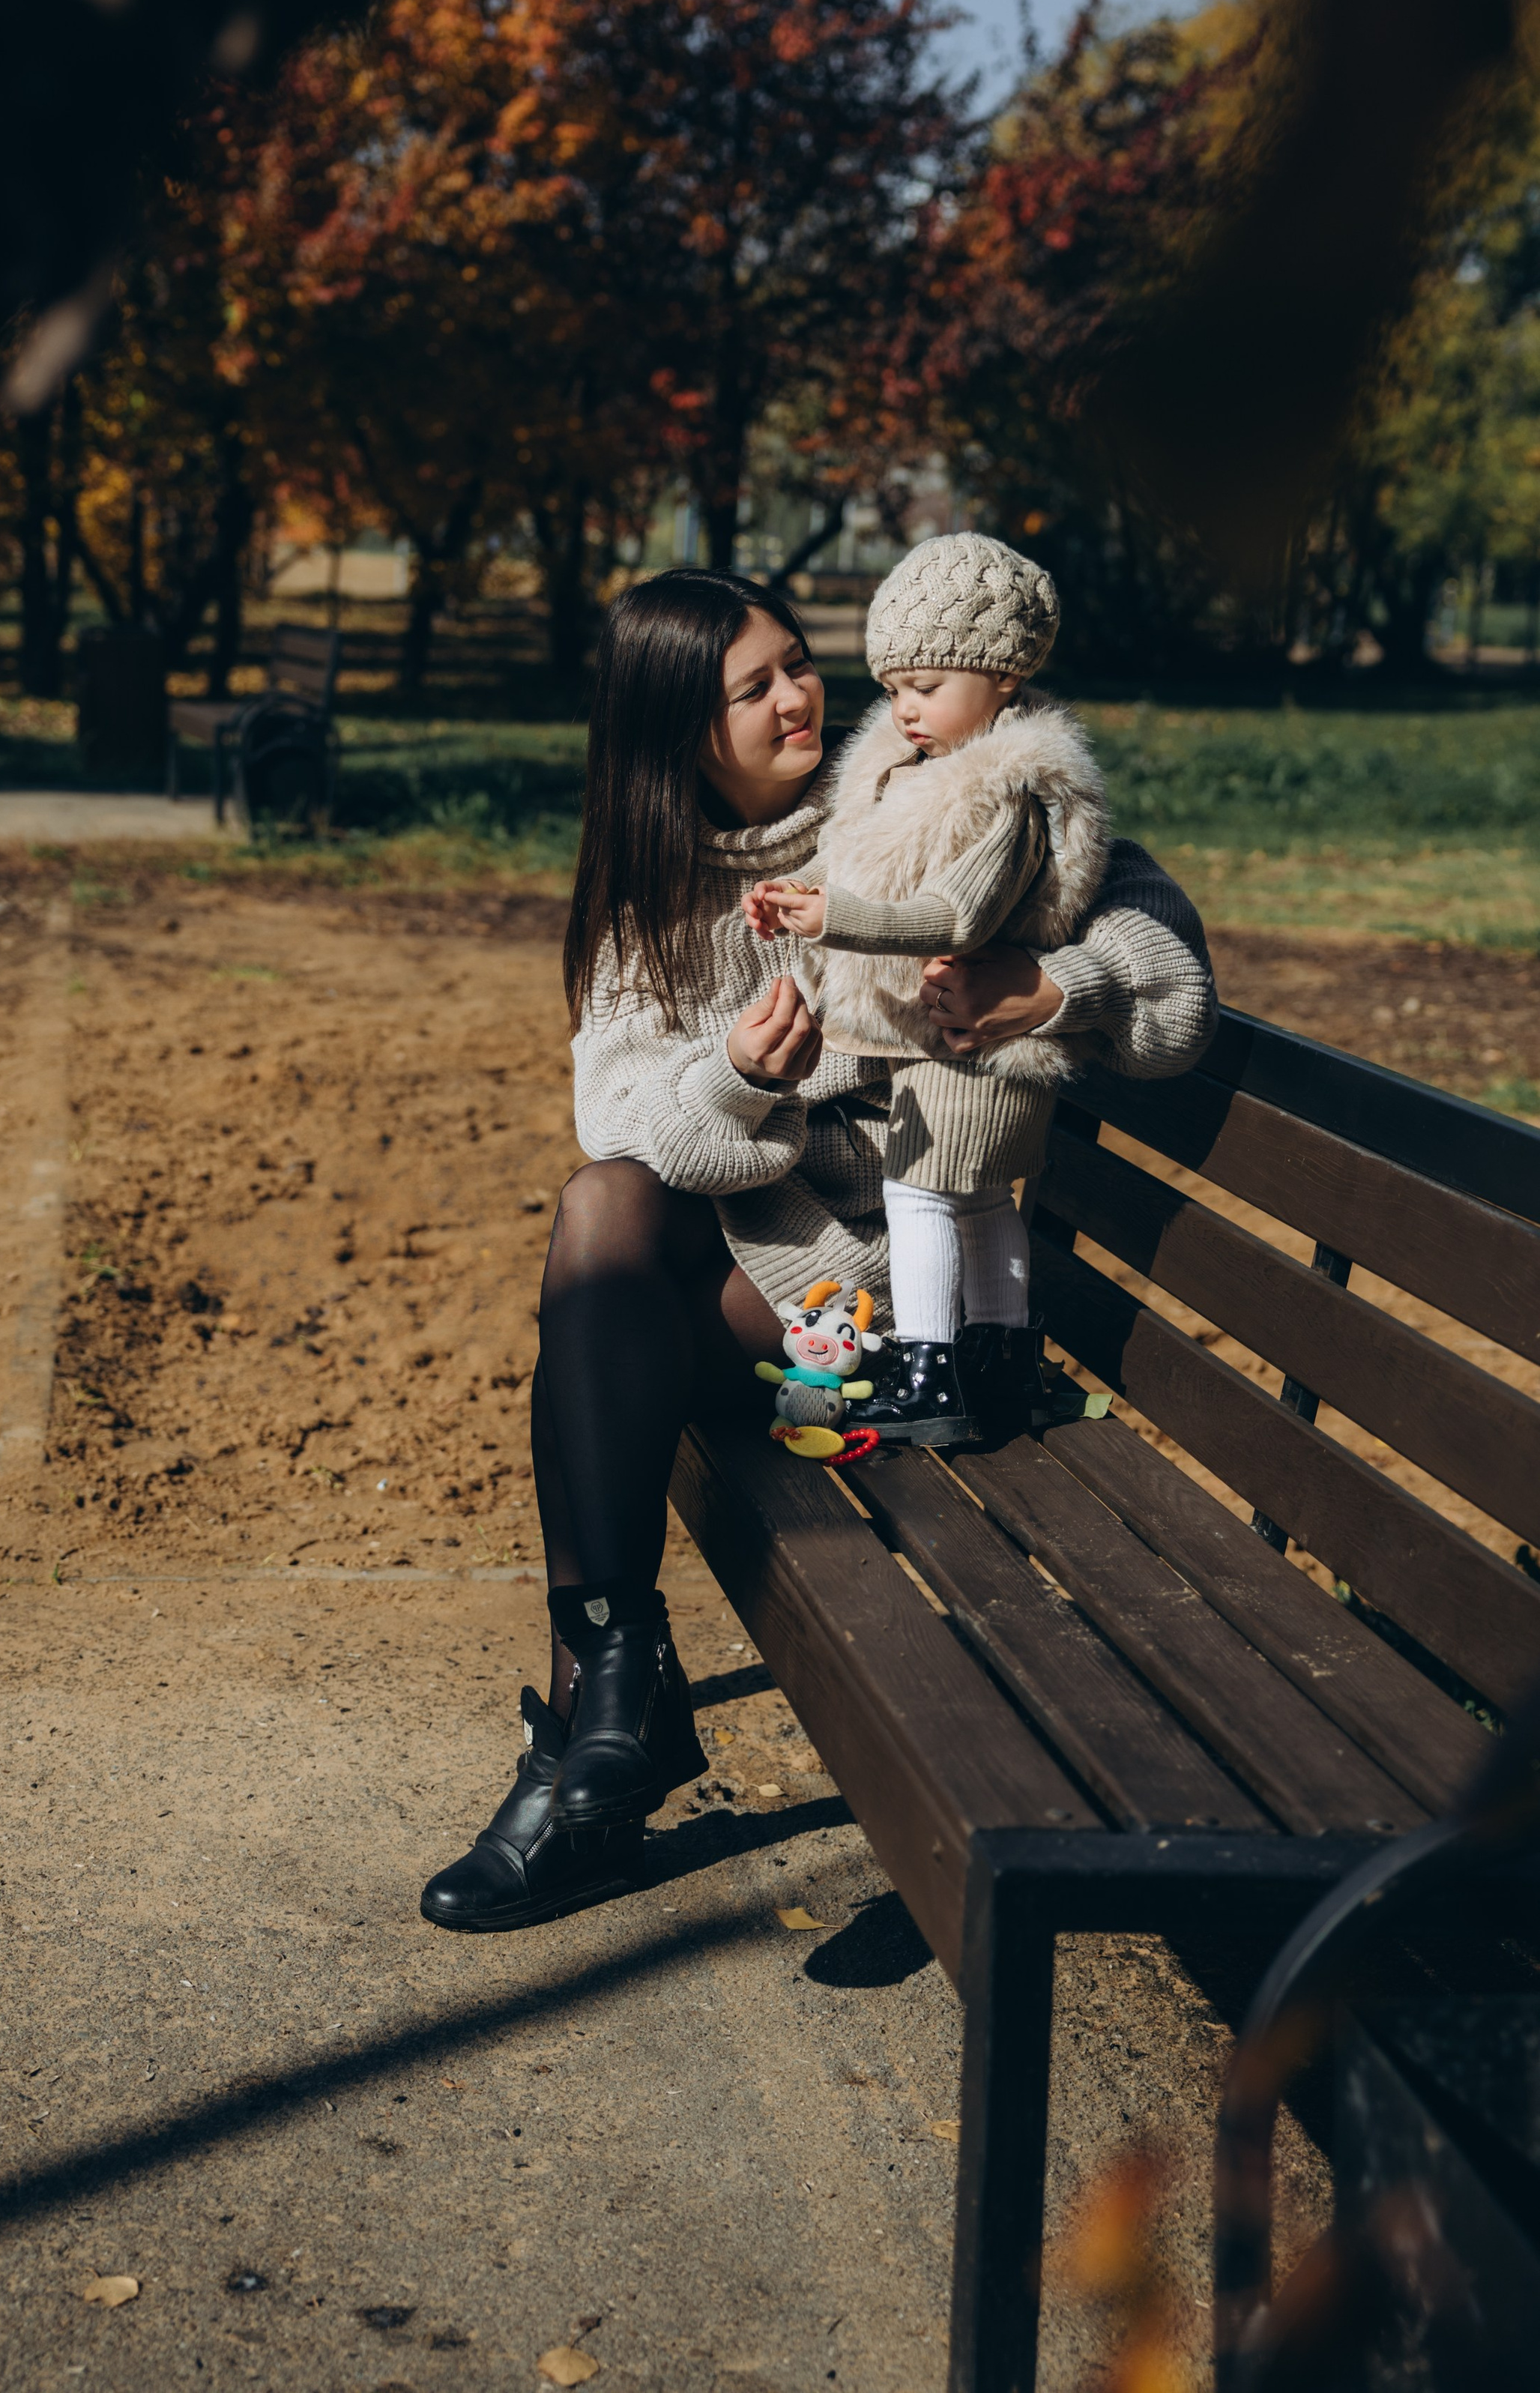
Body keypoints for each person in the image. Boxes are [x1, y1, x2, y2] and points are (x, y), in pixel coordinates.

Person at [418, 567, 1216, 1934]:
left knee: (604, 1331)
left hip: (898, 1299)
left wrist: (1049, 988)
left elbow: (1164, 965)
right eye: (755, 686)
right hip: (767, 1290)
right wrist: (734, 1079)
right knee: (602, 1212)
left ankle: (594, 1743)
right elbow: (618, 1119)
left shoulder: (928, 793)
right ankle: (611, 1698)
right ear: (682, 735)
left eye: (798, 662)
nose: (802, 696)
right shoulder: (655, 897)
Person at [744, 532, 1108, 1447]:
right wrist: (801, 892)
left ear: (1006, 677)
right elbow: (853, 859)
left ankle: (929, 1366)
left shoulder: (1002, 794)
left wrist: (835, 919)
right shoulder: (903, 772)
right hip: (934, 1041)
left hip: (968, 1043)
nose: (904, 709)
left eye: (928, 688)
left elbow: (953, 917)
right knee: (978, 1202)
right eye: (893, 687)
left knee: (922, 1196)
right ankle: (1000, 1360)